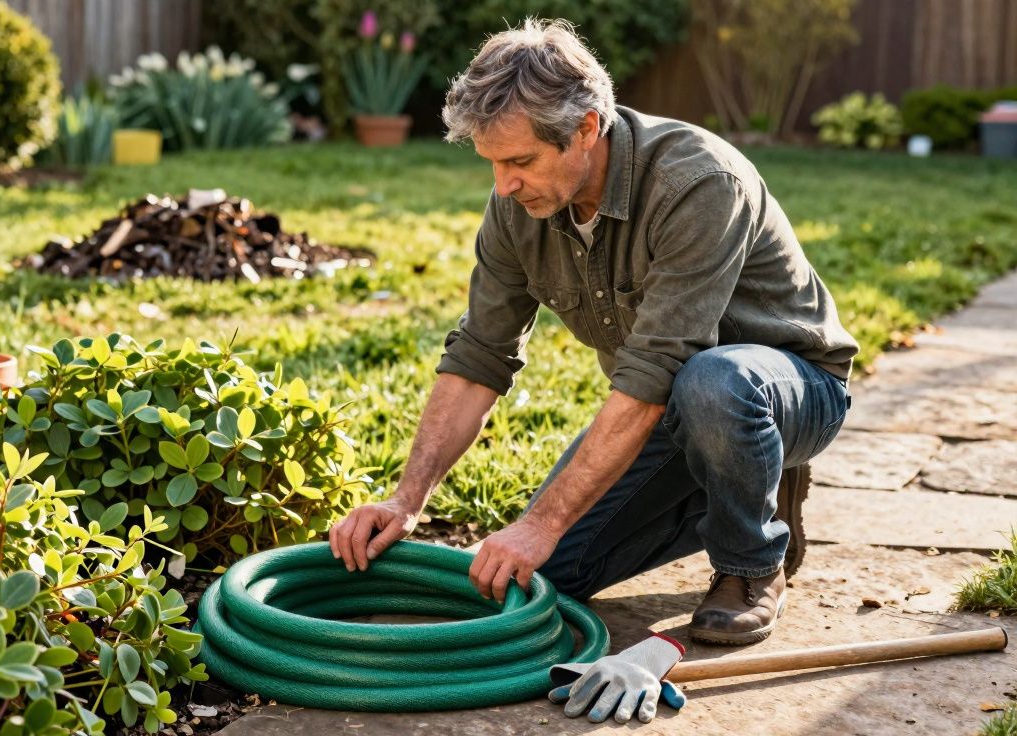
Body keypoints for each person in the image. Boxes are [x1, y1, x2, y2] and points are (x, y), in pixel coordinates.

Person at [327, 18, 858, 719]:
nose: (504, 184)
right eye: (491, 163)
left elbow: (655, 370)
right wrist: (407, 498)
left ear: (585, 128)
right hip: (671, 405)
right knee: (552, 575)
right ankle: (739, 483)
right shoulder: (517, 207)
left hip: (787, 388)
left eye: (518, 162)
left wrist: (539, 519)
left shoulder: (697, 181)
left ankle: (750, 562)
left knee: (714, 384)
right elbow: (479, 356)